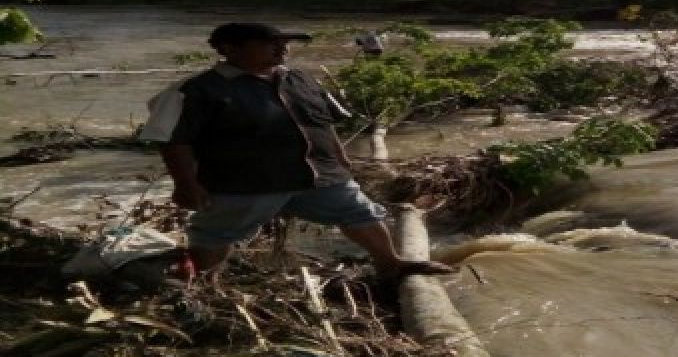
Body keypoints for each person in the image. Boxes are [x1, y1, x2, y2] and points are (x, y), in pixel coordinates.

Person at [139, 22, 453, 278]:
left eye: (284, 43)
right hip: (245, 183)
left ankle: (392, 266)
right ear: (229, 49)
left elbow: (323, 122)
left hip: (318, 175)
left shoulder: (299, 79)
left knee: (360, 213)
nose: (282, 49)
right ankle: (206, 287)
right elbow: (172, 139)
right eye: (269, 43)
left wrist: (340, 159)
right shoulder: (196, 90)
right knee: (213, 235)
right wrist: (186, 184)